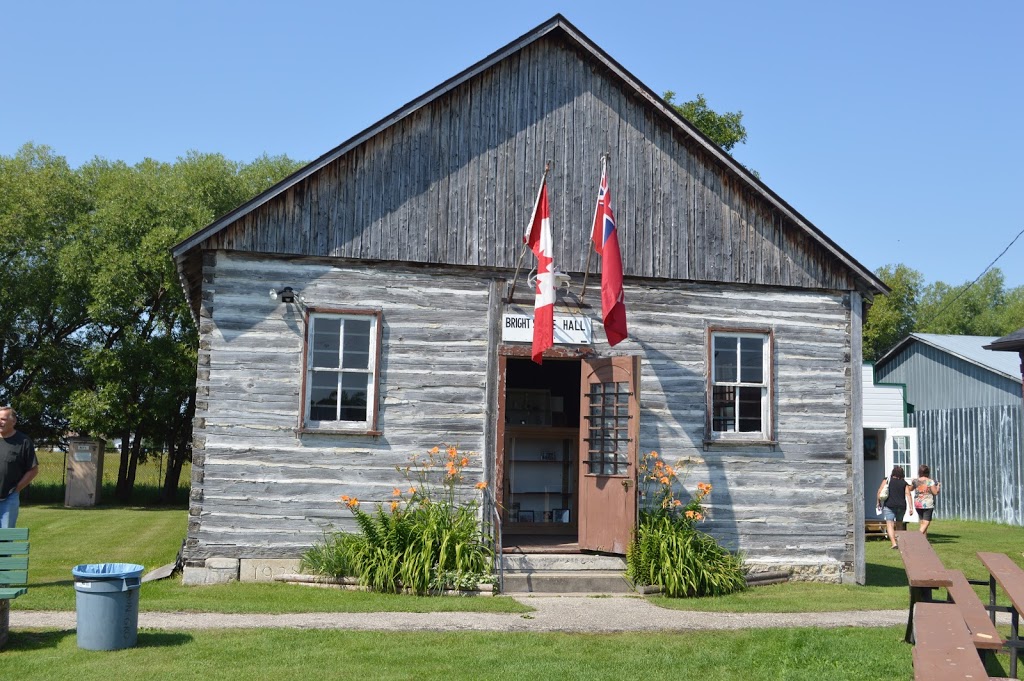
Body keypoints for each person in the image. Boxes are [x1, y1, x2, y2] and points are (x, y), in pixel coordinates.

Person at [0, 406, 39, 528]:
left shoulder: (24, 442)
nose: (0, 422)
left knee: (6, 538)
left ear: (14, 421)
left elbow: (33, 469)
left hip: (8, 498)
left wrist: (16, 489)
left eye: (3, 419)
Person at [877, 465, 914, 549]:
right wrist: (911, 508)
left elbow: (879, 491)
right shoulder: (903, 482)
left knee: (890, 524)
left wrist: (878, 502)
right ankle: (900, 543)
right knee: (899, 524)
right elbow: (908, 494)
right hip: (902, 506)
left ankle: (894, 543)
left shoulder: (887, 480)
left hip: (889, 505)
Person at [911, 464, 941, 535]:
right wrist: (938, 486)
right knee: (926, 522)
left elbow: (910, 489)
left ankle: (924, 541)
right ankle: (917, 536)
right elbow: (935, 492)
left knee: (922, 523)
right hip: (927, 504)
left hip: (918, 503)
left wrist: (913, 482)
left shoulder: (916, 481)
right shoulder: (930, 481)